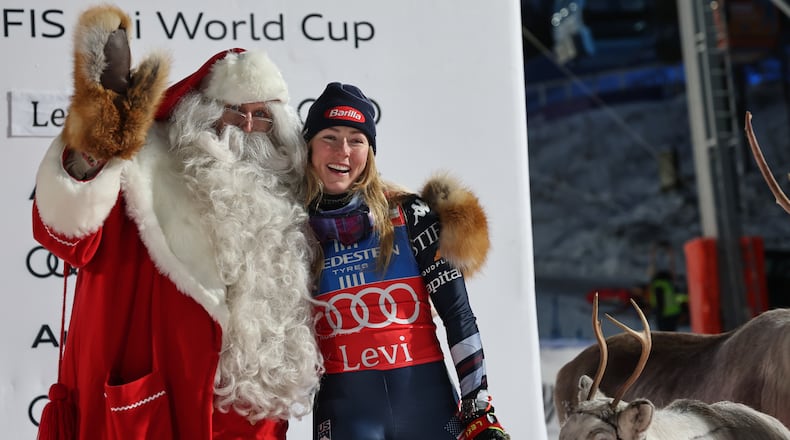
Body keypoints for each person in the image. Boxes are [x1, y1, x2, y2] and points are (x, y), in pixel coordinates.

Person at [31, 5, 322, 439]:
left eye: (261, 116)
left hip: (250, 421)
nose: (245, 125)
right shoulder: (144, 171)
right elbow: (68, 232)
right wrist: (95, 142)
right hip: (157, 407)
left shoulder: (294, 192)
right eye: (231, 111)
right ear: (201, 114)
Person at [302, 82, 509, 440]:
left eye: (356, 139)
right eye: (330, 137)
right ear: (309, 147)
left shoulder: (411, 214)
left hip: (427, 408)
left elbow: (458, 315)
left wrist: (478, 406)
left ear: (370, 151)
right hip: (346, 415)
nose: (343, 151)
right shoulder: (291, 228)